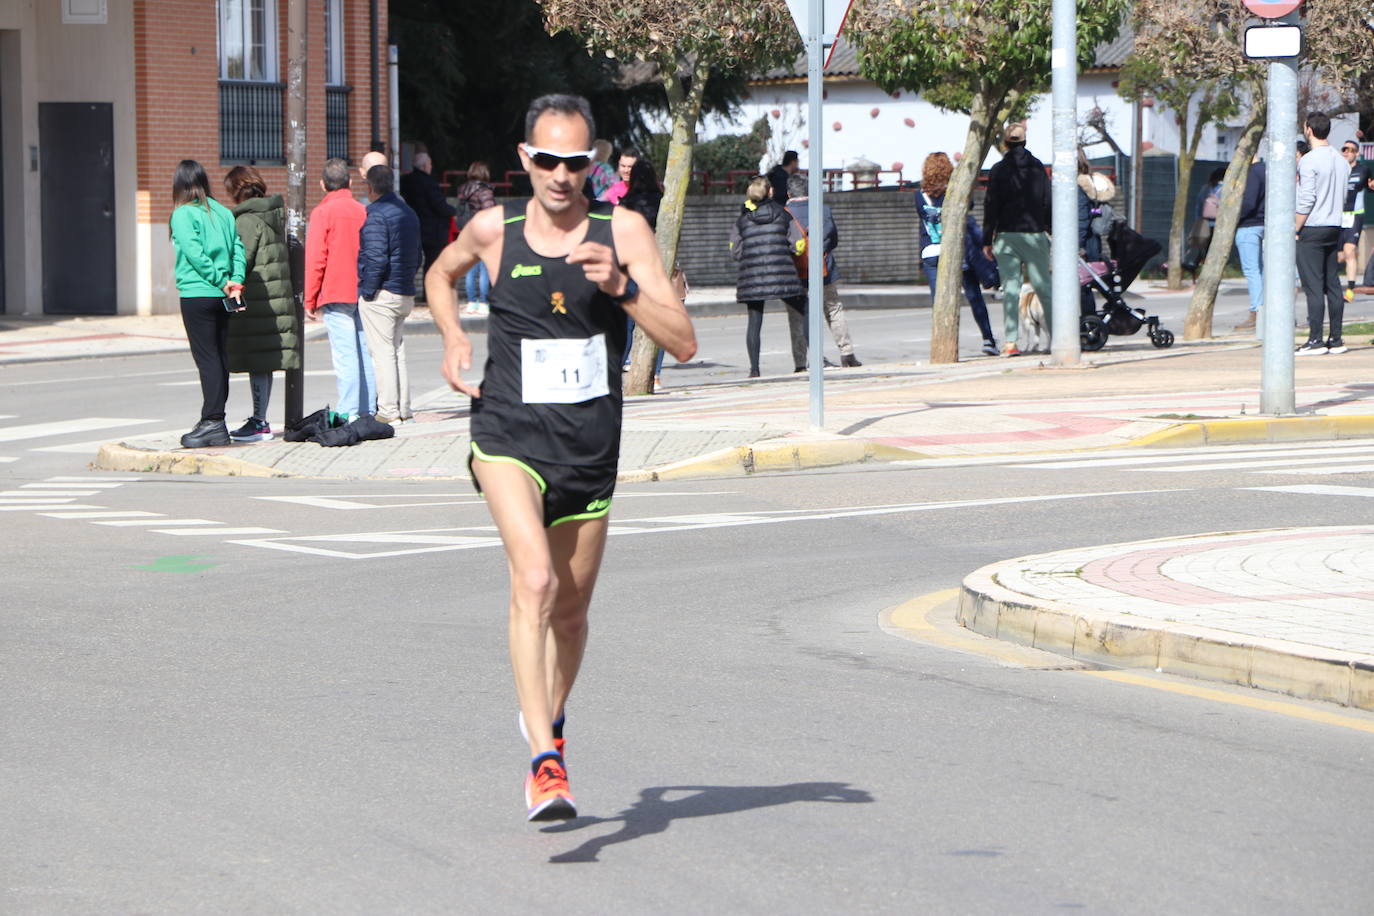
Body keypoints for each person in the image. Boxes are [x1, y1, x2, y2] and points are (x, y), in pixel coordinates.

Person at [425, 94, 696, 822]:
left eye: (575, 161)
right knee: (535, 581)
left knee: (570, 617)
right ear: (525, 159)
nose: (560, 175)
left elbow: (683, 341)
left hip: (588, 447)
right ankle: (545, 764)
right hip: (508, 437)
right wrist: (453, 337)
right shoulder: (493, 230)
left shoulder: (625, 230)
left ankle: (549, 719)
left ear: (593, 161)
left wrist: (623, 286)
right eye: (546, 160)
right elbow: (438, 277)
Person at [169, 159, 245, 448]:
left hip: (198, 294)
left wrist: (218, 279)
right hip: (224, 294)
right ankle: (216, 420)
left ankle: (212, 421)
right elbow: (238, 248)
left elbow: (194, 253)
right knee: (220, 358)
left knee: (207, 359)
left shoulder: (182, 215)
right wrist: (233, 280)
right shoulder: (224, 212)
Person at [222, 166, 298, 441]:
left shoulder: (247, 221)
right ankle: (260, 418)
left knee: (257, 362)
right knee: (263, 364)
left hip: (258, 299)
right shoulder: (274, 215)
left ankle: (259, 421)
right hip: (275, 298)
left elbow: (241, 260)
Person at [303, 157, 375, 418]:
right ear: (351, 182)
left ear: (323, 185)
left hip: (335, 290)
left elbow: (316, 258)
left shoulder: (322, 213)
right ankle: (367, 409)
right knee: (364, 352)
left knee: (345, 356)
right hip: (363, 288)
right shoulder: (362, 210)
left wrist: (309, 298)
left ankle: (348, 412)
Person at [917, 153, 999, 358]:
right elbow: (969, 207)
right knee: (973, 295)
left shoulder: (919, 196)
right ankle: (988, 339)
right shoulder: (955, 193)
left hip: (931, 252)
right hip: (957, 251)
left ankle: (942, 344)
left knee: (939, 301)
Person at [359, 163, 422, 425]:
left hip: (383, 292)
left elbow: (375, 257)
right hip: (404, 289)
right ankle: (403, 407)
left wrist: (367, 290)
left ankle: (388, 410)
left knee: (382, 352)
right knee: (397, 350)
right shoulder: (408, 212)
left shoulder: (375, 214)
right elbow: (417, 254)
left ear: (370, 187)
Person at [982, 123, 1053, 355]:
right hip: (1034, 234)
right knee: (1044, 287)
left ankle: (1011, 342)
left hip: (1006, 236)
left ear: (1005, 143)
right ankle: (1056, 336)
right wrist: (1049, 227)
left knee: (1011, 290)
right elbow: (1047, 200)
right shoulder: (1038, 168)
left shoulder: (998, 170)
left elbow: (991, 205)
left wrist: (987, 238)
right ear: (1025, 141)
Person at [730, 175, 808, 378]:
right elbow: (799, 245)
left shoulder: (742, 220)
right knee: (804, 310)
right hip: (783, 274)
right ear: (770, 192)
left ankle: (754, 370)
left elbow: (735, 251)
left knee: (754, 321)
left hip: (752, 277)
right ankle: (814, 358)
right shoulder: (784, 214)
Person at [785, 172, 862, 367]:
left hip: (795, 272)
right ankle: (847, 353)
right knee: (833, 308)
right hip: (823, 268)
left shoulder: (785, 214)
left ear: (788, 193)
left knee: (797, 314)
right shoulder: (823, 210)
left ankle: (801, 361)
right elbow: (833, 240)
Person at [1295, 111, 1351, 355]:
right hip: (1334, 225)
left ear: (1308, 129)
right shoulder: (1341, 159)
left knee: (1313, 286)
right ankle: (1336, 339)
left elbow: (1306, 199)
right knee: (1333, 283)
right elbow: (1345, 194)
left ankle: (1315, 339)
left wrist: (1294, 228)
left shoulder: (1308, 160)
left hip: (1312, 227)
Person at [618, 158, 669, 383]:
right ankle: (655, 373)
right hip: (655, 264)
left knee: (627, 321)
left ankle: (619, 367)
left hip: (630, 264)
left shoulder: (626, 203)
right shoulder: (664, 202)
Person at [399, 150, 457, 277]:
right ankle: (429, 294)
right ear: (424, 166)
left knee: (411, 262)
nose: (431, 167)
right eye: (430, 164)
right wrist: (453, 211)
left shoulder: (405, 181)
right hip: (432, 231)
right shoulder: (429, 183)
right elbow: (439, 205)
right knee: (432, 264)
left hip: (412, 227)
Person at [456, 162, 498, 316]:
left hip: (467, 232)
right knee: (484, 269)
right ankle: (483, 303)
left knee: (470, 269)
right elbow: (490, 211)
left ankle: (471, 302)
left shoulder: (463, 189)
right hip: (482, 232)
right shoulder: (484, 191)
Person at [1233, 155, 1266, 333]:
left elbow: (1249, 202)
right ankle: (1264, 309)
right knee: (1262, 270)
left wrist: (1233, 215)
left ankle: (1256, 310)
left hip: (1249, 225)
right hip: (1265, 223)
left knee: (1252, 270)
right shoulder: (1268, 170)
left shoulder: (1253, 173)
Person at [1338, 139, 1373, 302]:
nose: (1347, 152)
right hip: (1337, 216)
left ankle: (1350, 292)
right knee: (1338, 256)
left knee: (1349, 252)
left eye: (1351, 150)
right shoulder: (1338, 169)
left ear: (1357, 153)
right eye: (1344, 149)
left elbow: (1371, 186)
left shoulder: (1363, 170)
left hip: (1355, 215)